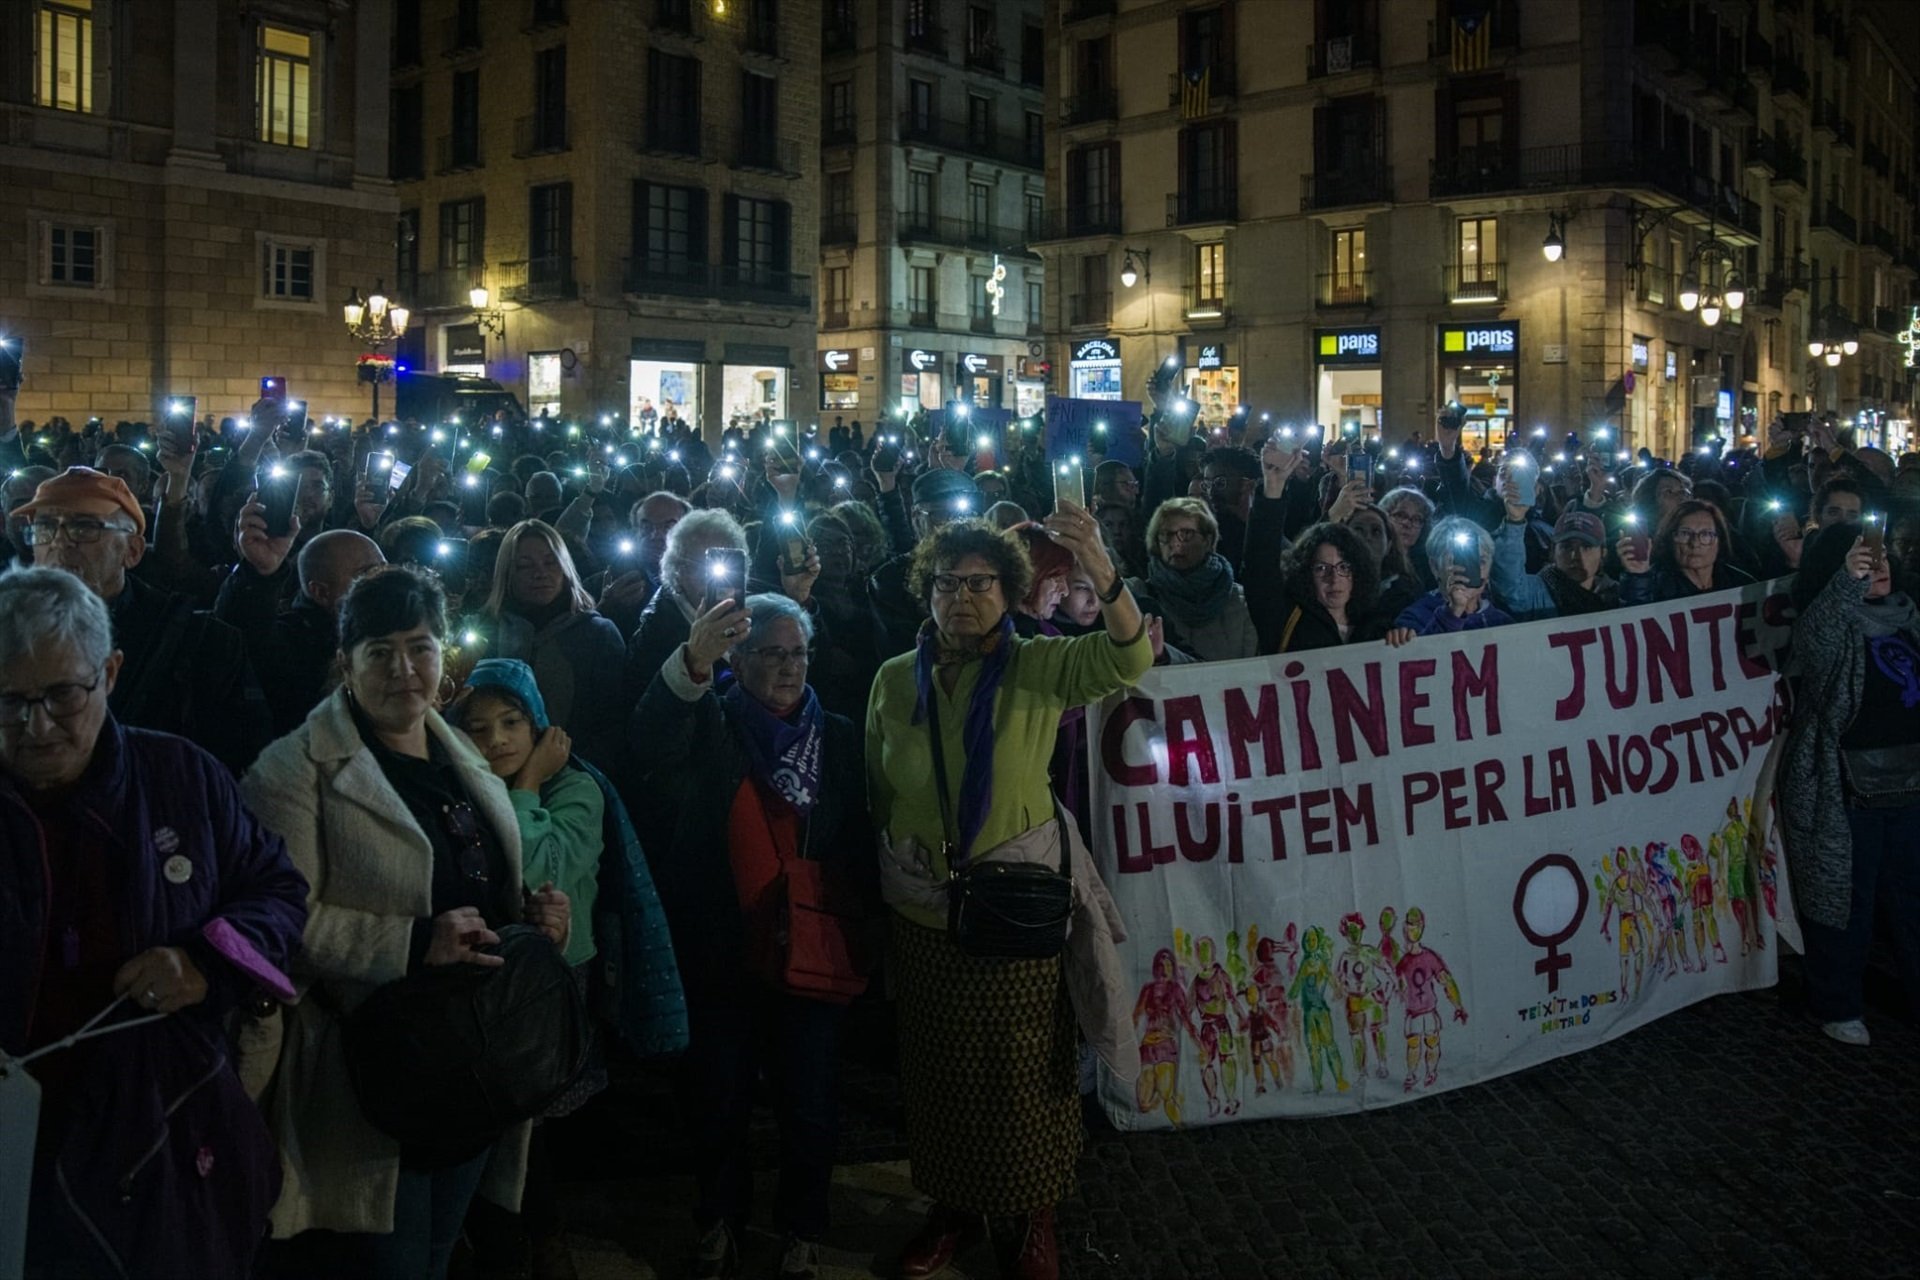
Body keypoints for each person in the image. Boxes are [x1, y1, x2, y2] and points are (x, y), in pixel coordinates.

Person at [241, 565, 571, 1278]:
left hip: (470, 1068)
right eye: (380, 652)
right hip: (368, 1075)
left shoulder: (463, 759)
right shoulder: (293, 771)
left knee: (437, 1249)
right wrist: (415, 944)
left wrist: (531, 922)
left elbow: (485, 885)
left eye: (421, 647)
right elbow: (277, 924)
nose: (404, 670)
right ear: (346, 661)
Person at [0, 566, 309, 1280]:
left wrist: (204, 964)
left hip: (161, 1128)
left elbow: (276, 890)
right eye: (9, 702)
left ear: (109, 672)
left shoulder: (182, 776)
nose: (35, 727)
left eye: (61, 696)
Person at [868, 512, 1146, 1280]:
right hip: (925, 915)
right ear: (926, 593)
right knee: (942, 1082)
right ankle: (955, 1210)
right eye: (947, 583)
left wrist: (1096, 556)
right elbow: (878, 790)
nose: (962, 597)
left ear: (1009, 590)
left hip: (1014, 914)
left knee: (1027, 1082)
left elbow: (1131, 656)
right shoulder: (894, 679)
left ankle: (1033, 1221)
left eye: (980, 583)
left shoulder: (1036, 668)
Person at [635, 593, 875, 1280]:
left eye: (798, 652)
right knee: (718, 1100)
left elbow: (858, 835)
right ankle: (718, 1219)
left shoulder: (837, 733)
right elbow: (653, 739)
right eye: (771, 652)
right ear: (737, 662)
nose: (788, 666)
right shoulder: (711, 725)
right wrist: (690, 661)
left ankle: (802, 1226)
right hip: (723, 950)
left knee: (809, 1105)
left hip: (811, 955)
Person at [448, 658, 609, 1280]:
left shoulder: (576, 787)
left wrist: (528, 786)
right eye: (480, 728)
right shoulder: (462, 786)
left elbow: (545, 868)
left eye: (512, 722)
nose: (497, 741)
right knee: (497, 1117)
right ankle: (503, 1238)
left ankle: (544, 1238)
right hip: (490, 970)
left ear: (539, 724)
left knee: (535, 1121)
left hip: (555, 973)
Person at [17, 465, 272, 772]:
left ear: (133, 551)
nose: (58, 542)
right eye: (45, 528)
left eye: (84, 527)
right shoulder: (11, 634)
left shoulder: (197, 642)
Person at [1779, 523, 1920, 1046]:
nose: (1877, 567)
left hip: (1911, 782)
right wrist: (1844, 582)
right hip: (1845, 789)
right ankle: (1838, 1003)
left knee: (1913, 901)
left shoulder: (1908, 616)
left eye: (1880, 558)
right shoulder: (1833, 623)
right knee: (1843, 902)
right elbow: (1815, 640)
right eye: (1863, 559)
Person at [465, 519, 628, 761]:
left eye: (550, 562)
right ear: (507, 573)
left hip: (574, 776)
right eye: (524, 565)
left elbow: (612, 724)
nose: (540, 573)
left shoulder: (598, 635)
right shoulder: (482, 630)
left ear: (565, 568)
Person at [217, 517, 387, 735]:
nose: (383, 583)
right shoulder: (295, 645)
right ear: (321, 592)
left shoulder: (398, 630)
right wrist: (258, 573)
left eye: (384, 569)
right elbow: (245, 634)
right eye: (366, 574)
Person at [623, 508, 750, 701]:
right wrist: (693, 661)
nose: (711, 580)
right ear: (678, 572)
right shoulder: (654, 635)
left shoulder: (752, 611)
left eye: (726, 564)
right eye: (700, 566)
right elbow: (645, 722)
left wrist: (799, 598)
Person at [1131, 496, 1257, 662]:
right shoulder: (1138, 597)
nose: (1176, 543)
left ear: (1207, 539)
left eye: (1187, 534)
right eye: (1166, 535)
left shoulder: (1240, 600)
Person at [1260, 522, 1387, 653]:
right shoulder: (1285, 618)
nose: (1333, 579)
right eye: (1321, 568)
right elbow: (1259, 564)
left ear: (1357, 572)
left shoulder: (1377, 626)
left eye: (1344, 567)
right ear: (1306, 574)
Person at [1490, 502, 1618, 622]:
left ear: (1603, 553)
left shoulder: (1615, 594)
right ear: (1553, 552)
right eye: (1567, 547)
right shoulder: (1534, 593)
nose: (1576, 556)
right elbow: (1509, 584)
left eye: (1586, 547)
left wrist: (1636, 576)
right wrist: (1514, 523)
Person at [1392, 516, 1515, 637]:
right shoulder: (1414, 618)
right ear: (1435, 566)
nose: (1473, 569)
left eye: (1481, 561)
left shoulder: (1502, 621)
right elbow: (1419, 655)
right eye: (1457, 561)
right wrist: (1453, 613)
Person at [1617, 499, 1757, 603]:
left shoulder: (1741, 583)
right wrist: (1637, 577)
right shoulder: (1653, 586)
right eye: (1684, 534)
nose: (1695, 543)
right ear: (1670, 538)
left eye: (1706, 534)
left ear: (1719, 540)